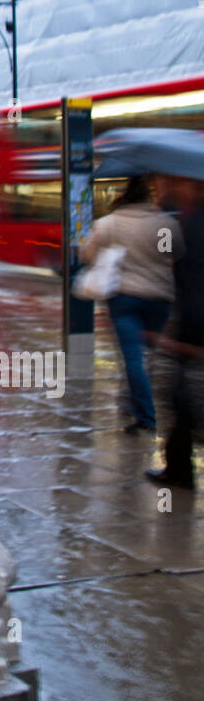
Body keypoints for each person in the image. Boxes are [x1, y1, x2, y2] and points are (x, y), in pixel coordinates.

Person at [81, 174, 183, 434]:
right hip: (159, 298)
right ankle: (133, 401)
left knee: (132, 357)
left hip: (124, 297)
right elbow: (170, 253)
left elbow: (87, 254)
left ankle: (146, 416)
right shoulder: (163, 224)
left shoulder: (109, 224)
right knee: (145, 356)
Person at [146, 178, 204, 489]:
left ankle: (179, 468)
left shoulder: (189, 225)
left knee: (180, 397)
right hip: (191, 322)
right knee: (180, 397)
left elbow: (172, 263)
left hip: (193, 323)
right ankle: (178, 465)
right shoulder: (186, 220)